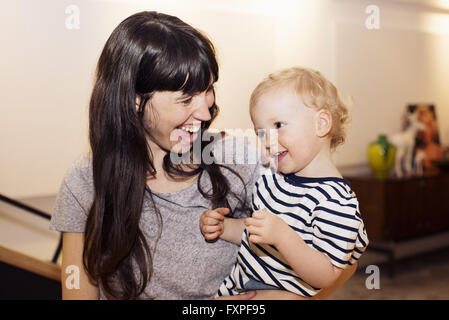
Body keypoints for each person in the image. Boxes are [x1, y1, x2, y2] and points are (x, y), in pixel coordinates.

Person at [50, 11, 357, 300]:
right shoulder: (85, 178)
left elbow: (343, 258)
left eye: (208, 89)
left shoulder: (240, 156)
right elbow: (78, 285)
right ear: (134, 100)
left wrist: (288, 298)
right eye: (186, 99)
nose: (206, 109)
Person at [201, 67, 369, 298]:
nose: (268, 141)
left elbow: (327, 275)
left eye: (278, 125)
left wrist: (283, 237)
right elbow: (256, 231)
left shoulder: (336, 203)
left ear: (321, 124)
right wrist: (224, 228)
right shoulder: (272, 180)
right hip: (236, 289)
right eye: (261, 132)